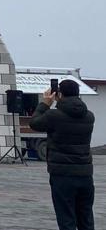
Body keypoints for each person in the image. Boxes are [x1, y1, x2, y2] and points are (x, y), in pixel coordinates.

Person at [30, 79, 95, 230]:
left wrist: (45, 103)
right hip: (85, 173)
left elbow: (34, 123)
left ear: (59, 94)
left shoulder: (54, 116)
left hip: (62, 174)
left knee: (66, 218)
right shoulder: (89, 116)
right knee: (86, 218)